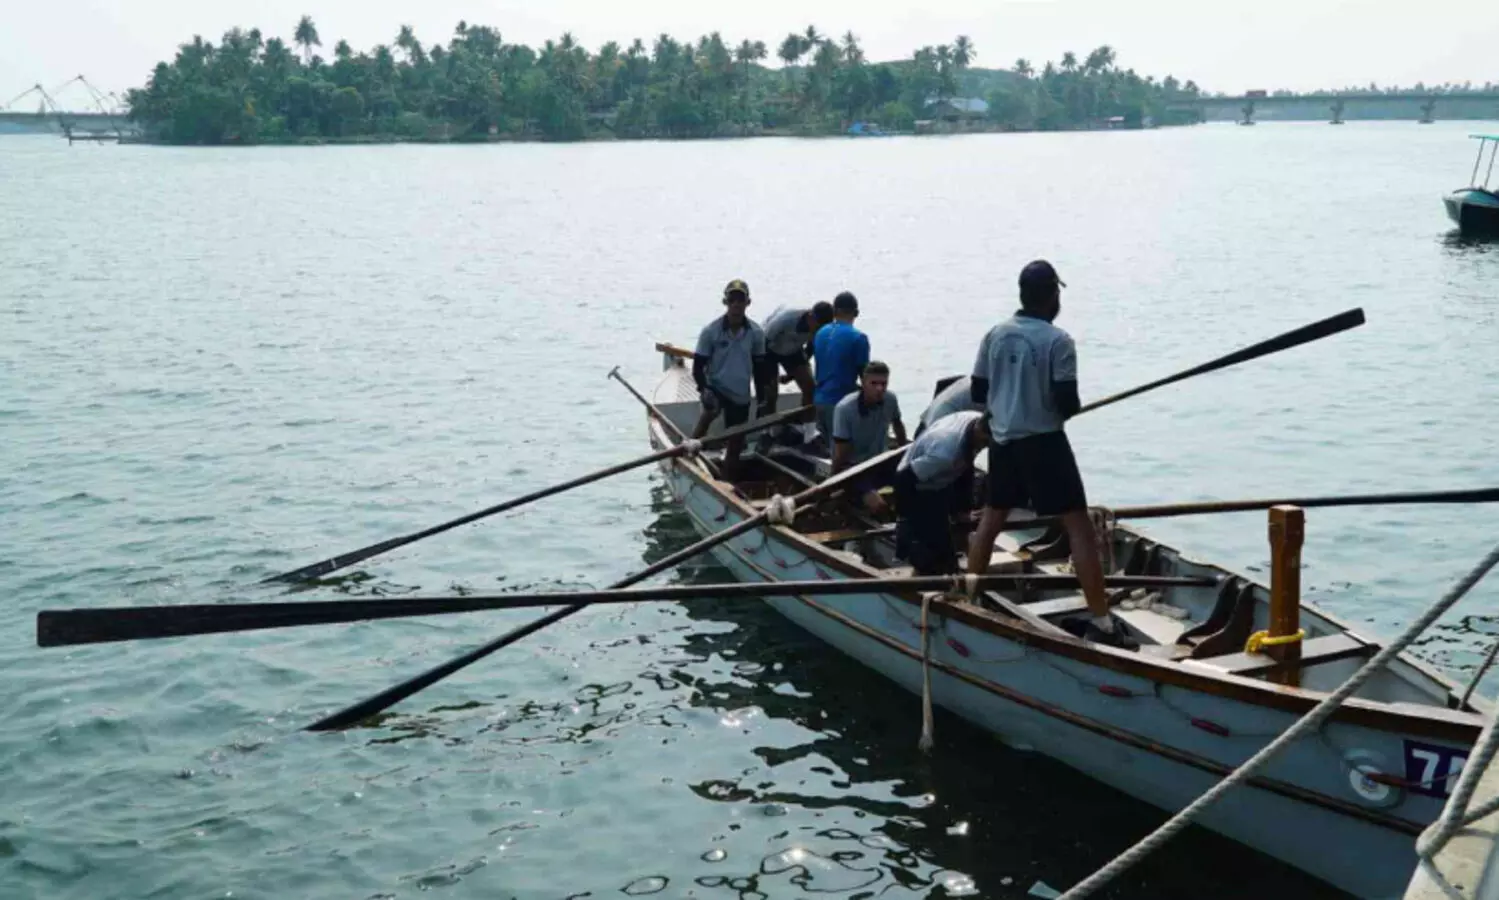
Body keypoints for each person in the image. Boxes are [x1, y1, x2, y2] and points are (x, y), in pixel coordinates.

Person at [963, 260, 1132, 649]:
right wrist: (1064, 407)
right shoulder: (1059, 341)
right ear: (1053, 296)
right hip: (1044, 444)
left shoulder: (994, 335)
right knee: (1079, 527)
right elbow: (1066, 403)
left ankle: (968, 595)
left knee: (991, 520)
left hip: (1003, 443)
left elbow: (977, 391)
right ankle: (1102, 620)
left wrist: (1009, 403)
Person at [893, 410, 988, 575]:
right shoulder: (944, 454)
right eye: (985, 442)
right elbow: (903, 478)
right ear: (979, 432)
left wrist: (963, 511)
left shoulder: (974, 418)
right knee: (932, 557)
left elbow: (966, 468)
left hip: (943, 479)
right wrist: (905, 518)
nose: (986, 446)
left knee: (947, 545)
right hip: (918, 487)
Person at [692, 278, 769, 480]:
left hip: (740, 392)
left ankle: (727, 479)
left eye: (740, 300)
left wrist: (762, 398)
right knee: (711, 411)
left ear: (748, 303)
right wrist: (703, 389)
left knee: (736, 441)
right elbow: (698, 367)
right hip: (715, 387)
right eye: (732, 299)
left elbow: (760, 370)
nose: (736, 304)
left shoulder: (756, 333)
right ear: (725, 302)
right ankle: (688, 451)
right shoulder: (711, 331)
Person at [830, 360, 907, 515]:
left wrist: (904, 454)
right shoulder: (845, 409)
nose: (879, 388)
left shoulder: (890, 399)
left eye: (883, 384)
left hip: (880, 461)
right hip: (854, 468)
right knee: (878, 506)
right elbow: (841, 452)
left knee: (915, 484)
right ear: (863, 383)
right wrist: (834, 481)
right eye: (874, 383)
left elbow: (898, 425)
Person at [758, 301, 836, 430]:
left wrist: (791, 376)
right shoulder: (786, 319)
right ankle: (768, 431)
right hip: (769, 348)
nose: (818, 330)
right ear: (810, 316)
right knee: (770, 394)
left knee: (810, 387)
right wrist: (767, 376)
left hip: (794, 350)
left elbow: (810, 350)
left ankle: (807, 430)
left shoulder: (821, 329)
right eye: (817, 326)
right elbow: (762, 343)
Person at [812, 291, 869, 451]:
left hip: (819, 400)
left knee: (827, 452)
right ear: (856, 313)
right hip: (841, 403)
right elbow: (866, 376)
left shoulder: (820, 333)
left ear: (834, 311)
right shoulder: (858, 338)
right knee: (842, 455)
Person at [914, 375, 984, 439]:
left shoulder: (977, 377)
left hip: (928, 420)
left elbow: (941, 384)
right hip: (939, 431)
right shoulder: (991, 388)